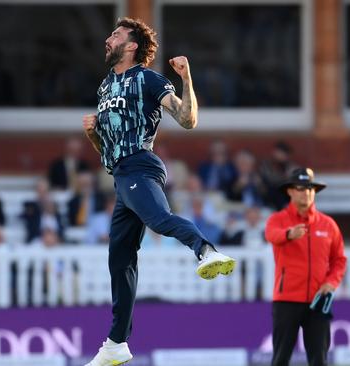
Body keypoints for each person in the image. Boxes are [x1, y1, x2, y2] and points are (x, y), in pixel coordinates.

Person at [82, 17, 235, 366]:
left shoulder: (148, 78)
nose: (108, 39)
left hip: (140, 166)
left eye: (116, 35)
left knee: (158, 219)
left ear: (132, 45)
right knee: (119, 260)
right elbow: (107, 150)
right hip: (121, 176)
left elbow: (187, 120)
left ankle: (205, 249)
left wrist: (186, 77)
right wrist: (92, 135)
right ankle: (117, 342)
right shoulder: (106, 86)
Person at [264, 168, 347, 366]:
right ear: (290, 191)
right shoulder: (278, 219)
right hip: (287, 299)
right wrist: (288, 234)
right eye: (301, 188)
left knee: (319, 359)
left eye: (310, 189)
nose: (306, 193)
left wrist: (331, 283)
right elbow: (271, 235)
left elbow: (339, 259)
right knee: (281, 359)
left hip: (318, 301)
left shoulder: (328, 224)